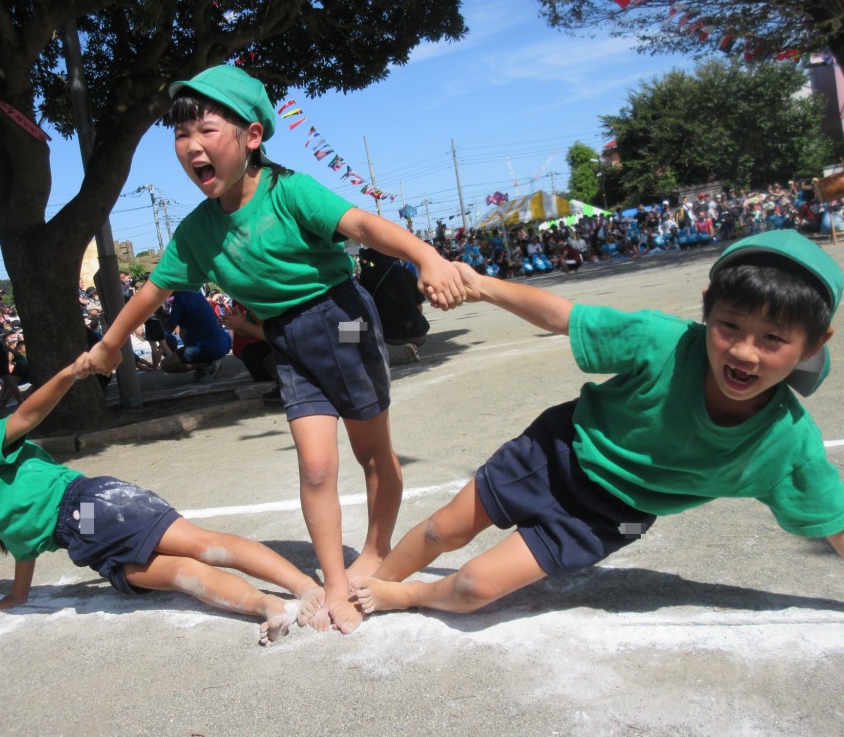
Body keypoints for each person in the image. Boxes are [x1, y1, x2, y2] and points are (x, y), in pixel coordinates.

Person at [85, 64, 464, 634]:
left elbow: (361, 222)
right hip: (284, 335)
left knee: (372, 453)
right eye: (181, 136)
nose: (191, 147)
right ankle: (335, 581)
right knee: (315, 465)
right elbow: (153, 289)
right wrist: (111, 346)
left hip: (342, 320)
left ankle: (376, 550)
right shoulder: (195, 232)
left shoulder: (290, 191)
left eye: (206, 131)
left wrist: (427, 257)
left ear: (253, 135)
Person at [351, 231, 844, 617]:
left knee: (474, 585)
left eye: (773, 339)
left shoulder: (787, 445)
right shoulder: (664, 340)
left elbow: (836, 523)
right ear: (707, 306)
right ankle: (373, 587)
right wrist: (480, 285)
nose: (742, 351)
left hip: (613, 514)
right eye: (729, 325)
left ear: (815, 342)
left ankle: (410, 596)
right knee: (442, 530)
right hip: (558, 452)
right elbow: (568, 316)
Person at [0, 355, 324, 646]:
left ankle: (304, 587)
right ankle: (267, 605)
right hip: (86, 541)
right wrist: (18, 594)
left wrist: (71, 373)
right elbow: (25, 549)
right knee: (178, 572)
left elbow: (26, 415)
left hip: (92, 506)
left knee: (200, 544)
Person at [357, 247, 430, 362]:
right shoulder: (406, 272)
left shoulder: (367, 274)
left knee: (347, 328)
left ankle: (352, 356)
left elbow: (362, 306)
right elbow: (419, 306)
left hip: (388, 333)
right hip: (418, 331)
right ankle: (408, 345)